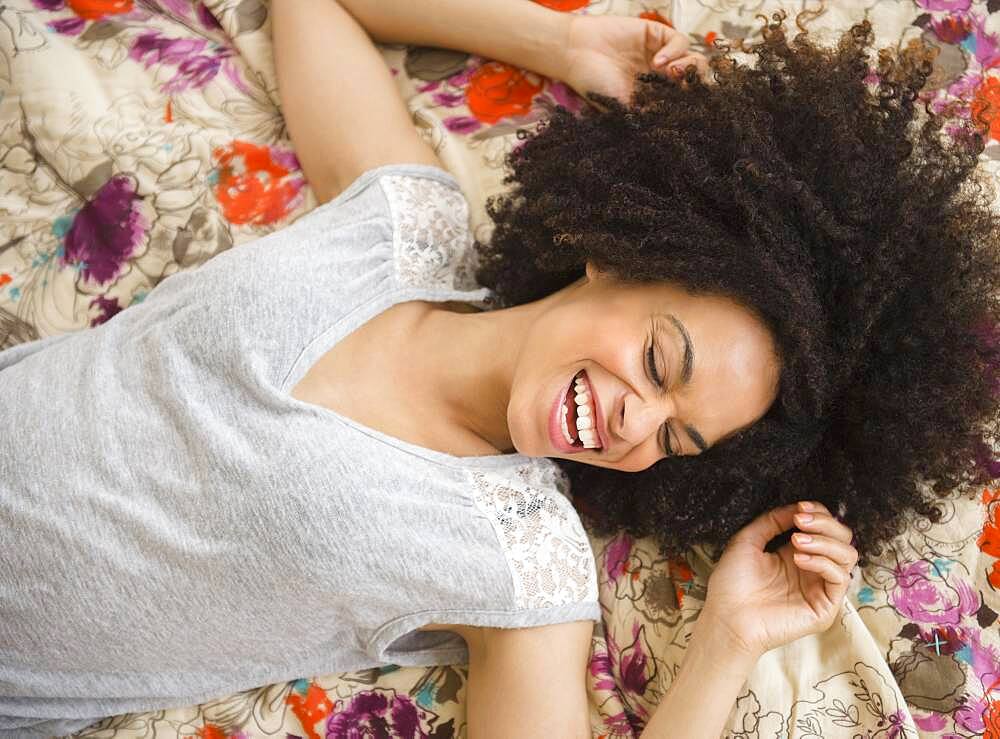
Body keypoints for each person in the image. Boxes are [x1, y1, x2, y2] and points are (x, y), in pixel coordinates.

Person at [1, 0, 996, 737]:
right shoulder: (403, 223)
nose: (633, 422)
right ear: (621, 253)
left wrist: (726, 642)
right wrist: (562, 43)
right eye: (658, 361)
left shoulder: (521, 567)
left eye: (677, 436)